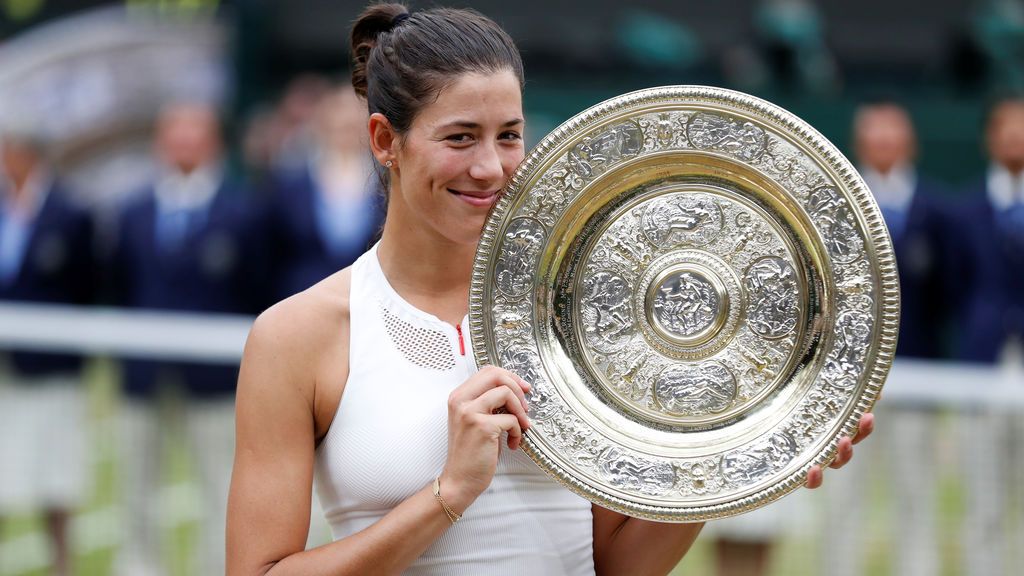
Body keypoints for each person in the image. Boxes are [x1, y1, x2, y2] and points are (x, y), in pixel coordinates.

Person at [226, 5, 873, 575]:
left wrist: (733, 461)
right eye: (459, 137)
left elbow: (614, 565)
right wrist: (447, 494)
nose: (491, 167)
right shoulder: (298, 337)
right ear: (383, 141)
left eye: (508, 135)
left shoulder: (584, 315)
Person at [109, 102, 267, 576]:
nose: (181, 144)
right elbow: (119, 287)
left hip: (216, 379)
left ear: (213, 141)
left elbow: (257, 291)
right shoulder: (132, 211)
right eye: (173, 134)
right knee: (135, 481)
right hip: (143, 376)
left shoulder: (244, 212)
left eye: (191, 134)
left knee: (221, 484)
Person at [820, 101, 953, 576]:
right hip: (842, 381)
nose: (883, 145)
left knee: (916, 489)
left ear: (909, 142)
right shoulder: (830, 208)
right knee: (842, 494)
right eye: (875, 135)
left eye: (892, 135)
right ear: (859, 142)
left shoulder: (937, 210)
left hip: (918, 367)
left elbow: (949, 291)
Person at [0, 128, 94, 576]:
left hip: (52, 367)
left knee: (56, 475)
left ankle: (62, 565)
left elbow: (87, 288)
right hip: (5, 371)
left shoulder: (69, 213)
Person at [954, 95, 1024, 576]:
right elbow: (954, 286)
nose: (1016, 137)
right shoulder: (963, 212)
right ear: (990, 137)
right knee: (983, 497)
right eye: (1007, 128)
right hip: (981, 368)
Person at [266, 83, 385, 303]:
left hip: (368, 302)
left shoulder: (387, 186)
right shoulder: (291, 186)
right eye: (339, 123)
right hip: (300, 302)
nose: (346, 130)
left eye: (352, 123)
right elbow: (268, 255)